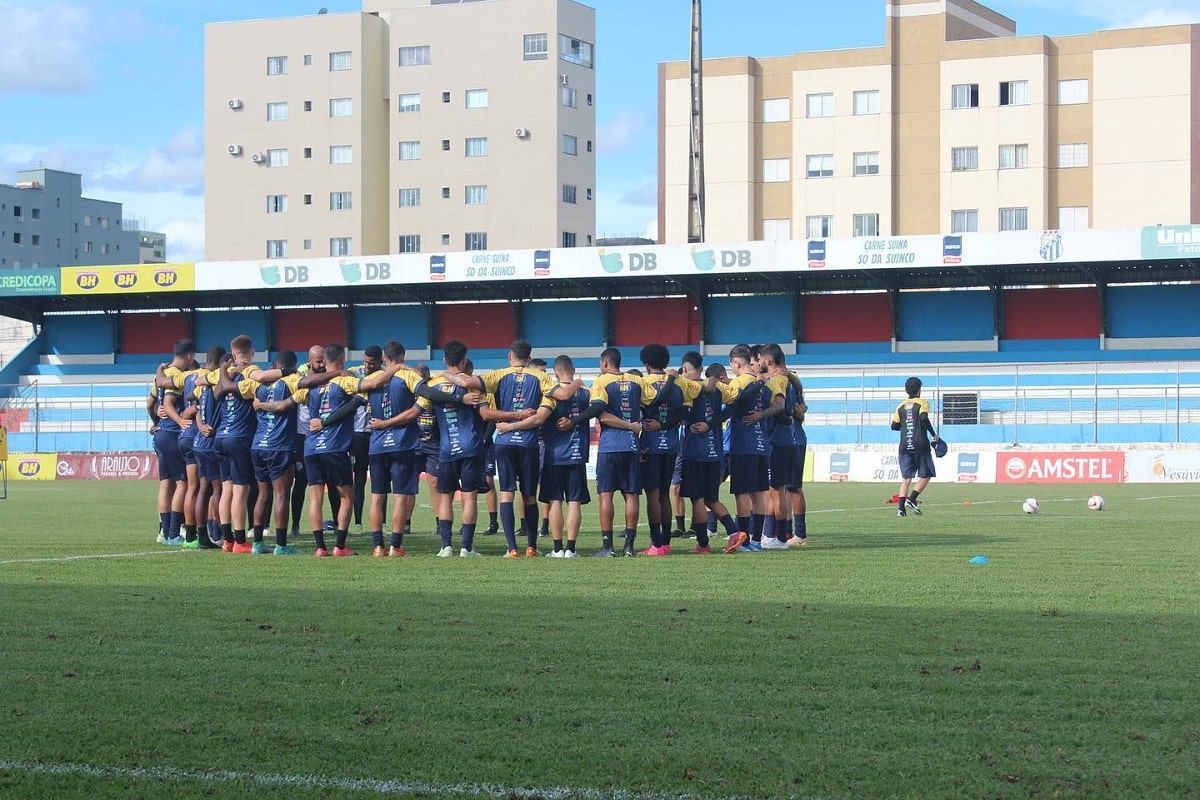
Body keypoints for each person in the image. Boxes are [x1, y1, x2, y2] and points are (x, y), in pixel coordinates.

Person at [452, 339, 559, 557]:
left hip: (504, 441)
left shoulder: (495, 377)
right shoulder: (541, 377)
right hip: (529, 443)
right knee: (529, 495)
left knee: (506, 494)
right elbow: (553, 403)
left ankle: (511, 548)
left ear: (510, 356)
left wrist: (447, 375)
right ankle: (531, 547)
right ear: (529, 358)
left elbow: (484, 411)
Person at [569, 347, 662, 557]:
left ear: (604, 363)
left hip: (610, 444)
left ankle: (607, 547)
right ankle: (628, 547)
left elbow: (599, 410)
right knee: (632, 495)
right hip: (631, 445)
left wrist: (574, 420)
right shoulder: (637, 380)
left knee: (606, 495)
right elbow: (654, 399)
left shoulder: (602, 381)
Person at [498, 354, 590, 557]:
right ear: (573, 371)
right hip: (577, 455)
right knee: (574, 502)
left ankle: (557, 549)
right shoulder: (586, 394)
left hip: (554, 455)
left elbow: (538, 419)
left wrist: (509, 427)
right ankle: (571, 550)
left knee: (555, 500)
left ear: (556, 374)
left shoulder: (551, 395)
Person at [219, 350, 304, 554]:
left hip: (258, 446)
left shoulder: (257, 384)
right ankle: (281, 546)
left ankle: (257, 543)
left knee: (263, 495)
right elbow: (309, 385)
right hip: (280, 446)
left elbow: (227, 386)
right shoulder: (292, 380)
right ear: (291, 365)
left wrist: (223, 370)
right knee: (282, 494)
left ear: (274, 364)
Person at [417, 340, 490, 557]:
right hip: (471, 447)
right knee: (469, 497)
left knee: (446, 497)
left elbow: (419, 412)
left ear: (444, 360)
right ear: (464, 361)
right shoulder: (471, 384)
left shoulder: (434, 385)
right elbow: (486, 414)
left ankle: (446, 546)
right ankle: (466, 547)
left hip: (446, 449)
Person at [725, 344, 772, 553]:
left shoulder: (738, 383)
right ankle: (756, 541)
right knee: (759, 494)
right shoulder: (764, 384)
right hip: (761, 444)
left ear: (736, 362)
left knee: (741, 494)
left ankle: (743, 541)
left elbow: (730, 408)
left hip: (742, 444)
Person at [150, 338, 197, 546]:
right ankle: (173, 533)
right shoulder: (177, 375)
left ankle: (163, 532)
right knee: (182, 483)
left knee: (165, 483)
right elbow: (168, 403)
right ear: (189, 356)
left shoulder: (162, 373)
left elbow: (151, 402)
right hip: (171, 433)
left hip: (161, 433)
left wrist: (155, 421)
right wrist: (179, 420)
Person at [892, 376, 940, 517]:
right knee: (926, 475)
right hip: (920, 444)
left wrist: (907, 423)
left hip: (904, 446)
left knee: (906, 478)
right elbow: (924, 418)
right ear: (919, 389)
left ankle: (901, 509)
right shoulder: (922, 403)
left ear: (906, 390)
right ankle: (912, 499)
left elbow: (894, 426)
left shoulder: (900, 406)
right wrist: (933, 434)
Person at [349, 344, 384, 535]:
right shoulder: (356, 373)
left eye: (371, 363)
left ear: (380, 361)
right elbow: (342, 372)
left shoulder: (385, 377)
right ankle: (358, 522)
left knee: (381, 479)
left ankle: (383, 521)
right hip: (358, 434)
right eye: (365, 362)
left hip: (378, 432)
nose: (367, 366)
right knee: (359, 478)